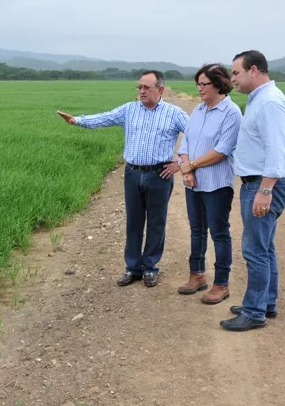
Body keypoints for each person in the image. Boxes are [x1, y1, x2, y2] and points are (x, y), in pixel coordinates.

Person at [57, 70, 189, 288]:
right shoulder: (129, 110)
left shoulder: (174, 113)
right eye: (139, 87)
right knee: (134, 222)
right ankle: (133, 267)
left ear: (161, 90)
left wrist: (183, 164)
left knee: (156, 222)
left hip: (159, 175)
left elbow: (196, 134)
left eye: (147, 87)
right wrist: (76, 121)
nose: (142, 91)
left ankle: (150, 267)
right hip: (133, 173)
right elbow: (105, 118)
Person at [221, 50, 285, 331]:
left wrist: (265, 190)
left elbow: (277, 151)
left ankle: (254, 312)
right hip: (257, 183)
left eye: (236, 73)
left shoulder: (269, 103)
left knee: (254, 250)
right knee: (265, 247)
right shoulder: (259, 100)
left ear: (254, 70)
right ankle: (266, 303)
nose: (232, 79)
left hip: (262, 185)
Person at [176, 64, 242, 304]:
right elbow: (186, 143)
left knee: (219, 232)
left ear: (219, 84)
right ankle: (197, 275)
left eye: (204, 84)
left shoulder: (231, 113)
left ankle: (221, 284)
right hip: (193, 183)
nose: (199, 88)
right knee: (196, 230)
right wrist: (186, 167)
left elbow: (221, 151)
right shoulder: (198, 110)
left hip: (217, 184)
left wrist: (191, 165)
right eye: (198, 84)